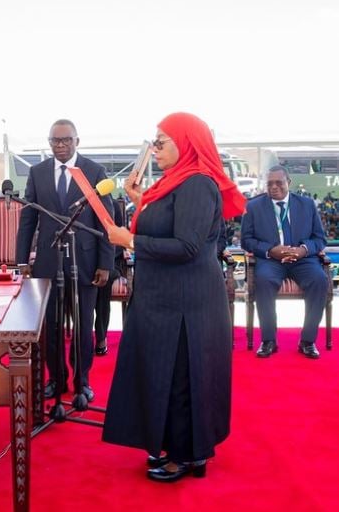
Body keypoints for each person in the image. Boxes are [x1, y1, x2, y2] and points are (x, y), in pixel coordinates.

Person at [102, 112, 246, 482]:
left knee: (183, 375)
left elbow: (186, 245)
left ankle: (188, 455)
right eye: (154, 142)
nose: (155, 149)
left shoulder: (198, 184)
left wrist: (129, 239)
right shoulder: (172, 184)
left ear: (186, 144)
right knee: (166, 372)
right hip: (165, 297)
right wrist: (140, 202)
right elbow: (165, 226)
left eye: (162, 141)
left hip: (188, 301)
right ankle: (173, 446)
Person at [15, 119, 114, 402]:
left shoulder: (93, 172)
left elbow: (106, 221)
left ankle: (82, 382)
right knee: (52, 327)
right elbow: (28, 219)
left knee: (83, 327)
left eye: (66, 140)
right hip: (48, 262)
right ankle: (55, 380)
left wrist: (106, 263)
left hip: (85, 263)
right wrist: (21, 259)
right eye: (55, 141)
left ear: (76, 142)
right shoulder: (38, 173)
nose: (60, 145)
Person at [240, 165, 328, 359]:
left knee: (320, 280)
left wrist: (303, 250)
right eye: (270, 183)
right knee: (263, 280)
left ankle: (307, 341)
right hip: (271, 260)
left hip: (302, 260)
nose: (274, 187)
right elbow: (246, 240)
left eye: (278, 183)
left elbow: (320, 239)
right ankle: (269, 340)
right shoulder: (253, 206)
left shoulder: (306, 204)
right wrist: (270, 250)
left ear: (288, 182)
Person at [93, 196, 127, 356]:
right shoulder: (82, 204)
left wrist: (104, 263)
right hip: (89, 262)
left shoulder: (112, 205)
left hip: (113, 263)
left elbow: (120, 237)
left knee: (103, 283)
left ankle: (101, 338)